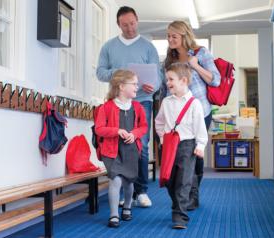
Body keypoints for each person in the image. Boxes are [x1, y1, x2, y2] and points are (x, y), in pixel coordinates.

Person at [96, 6, 161, 207]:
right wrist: (120, 74)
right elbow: (100, 73)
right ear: (119, 25)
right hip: (117, 103)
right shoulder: (108, 47)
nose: (130, 28)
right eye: (125, 25)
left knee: (140, 146)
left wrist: (153, 87)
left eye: (132, 23)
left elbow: (157, 77)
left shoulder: (148, 47)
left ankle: (141, 191)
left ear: (137, 20)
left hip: (142, 101)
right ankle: (126, 191)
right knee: (120, 146)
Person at [164, 21, 220, 210]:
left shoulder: (200, 53)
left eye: (174, 36)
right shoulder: (169, 59)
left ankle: (192, 193)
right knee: (183, 156)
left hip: (200, 110)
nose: (170, 39)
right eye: (168, 36)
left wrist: (195, 66)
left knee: (196, 155)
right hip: (179, 116)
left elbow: (215, 80)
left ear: (184, 35)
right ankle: (187, 194)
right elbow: (168, 87)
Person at [155, 63, 208, 229]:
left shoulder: (194, 104)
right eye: (167, 79)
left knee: (183, 181)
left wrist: (200, 145)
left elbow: (200, 127)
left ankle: (180, 216)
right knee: (169, 180)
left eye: (171, 79)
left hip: (187, 145)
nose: (168, 83)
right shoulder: (166, 102)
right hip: (169, 145)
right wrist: (163, 139)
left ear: (184, 81)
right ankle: (178, 203)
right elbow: (159, 122)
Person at [94, 70, 148, 228]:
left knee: (129, 182)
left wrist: (135, 134)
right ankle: (113, 215)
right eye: (134, 84)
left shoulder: (137, 107)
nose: (137, 87)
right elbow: (99, 129)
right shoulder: (106, 107)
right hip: (111, 151)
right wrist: (116, 131)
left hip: (130, 150)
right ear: (122, 86)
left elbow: (144, 127)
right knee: (115, 180)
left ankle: (127, 206)